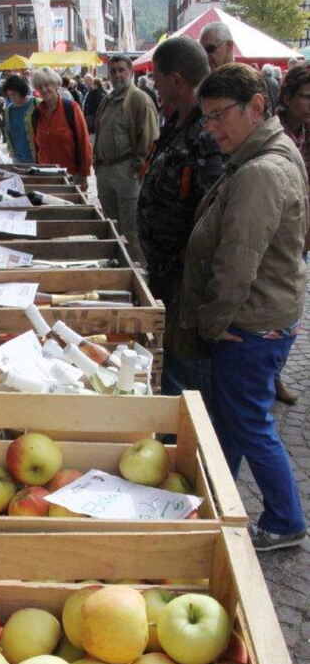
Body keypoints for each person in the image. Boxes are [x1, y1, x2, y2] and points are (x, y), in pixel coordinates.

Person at [178, 63, 307, 551]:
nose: (210, 130)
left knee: (250, 420)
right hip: (258, 317)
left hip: (250, 323)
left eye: (217, 117)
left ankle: (284, 520)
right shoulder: (268, 152)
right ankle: (220, 497)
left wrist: (211, 324)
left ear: (256, 106)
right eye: (205, 119)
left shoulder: (262, 170)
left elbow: (237, 262)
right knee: (235, 416)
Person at [138, 36, 224, 399]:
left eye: (156, 77)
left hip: (186, 277)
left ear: (176, 79)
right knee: (170, 357)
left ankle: (186, 436)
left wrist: (191, 271)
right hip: (166, 270)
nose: (153, 84)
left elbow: (212, 211)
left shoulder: (208, 130)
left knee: (185, 367)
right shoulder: (177, 119)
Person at [93, 54, 159, 263]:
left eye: (121, 70)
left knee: (132, 230)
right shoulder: (108, 99)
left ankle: (138, 274)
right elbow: (99, 131)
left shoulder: (139, 99)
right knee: (111, 227)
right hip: (106, 172)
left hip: (127, 173)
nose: (117, 75)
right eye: (113, 71)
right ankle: (119, 270)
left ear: (130, 71)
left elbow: (150, 140)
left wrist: (137, 170)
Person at [273, 61, 310, 404]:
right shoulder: (274, 130)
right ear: (287, 96)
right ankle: (270, 375)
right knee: (274, 307)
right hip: (275, 232)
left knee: (292, 308)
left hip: (302, 232)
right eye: (306, 97)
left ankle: (276, 375)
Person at [32, 66, 92, 190]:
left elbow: (84, 144)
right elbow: (37, 147)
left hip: (70, 177)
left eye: (47, 85)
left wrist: (84, 176)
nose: (43, 89)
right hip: (45, 177)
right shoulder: (37, 113)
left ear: (55, 85)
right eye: (39, 87)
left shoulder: (71, 108)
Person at [2, 74, 41, 163]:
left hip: (36, 156)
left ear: (22, 91)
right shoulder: (9, 109)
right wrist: (11, 150)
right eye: (9, 95)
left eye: (14, 94)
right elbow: (8, 132)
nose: (12, 98)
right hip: (17, 157)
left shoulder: (36, 103)